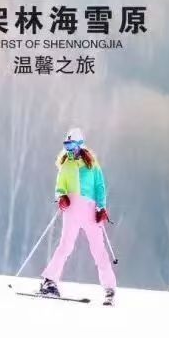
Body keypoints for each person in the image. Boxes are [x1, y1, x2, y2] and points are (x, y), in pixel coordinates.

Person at [39, 128, 116, 305]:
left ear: (80, 145)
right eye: (66, 145)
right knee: (65, 246)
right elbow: (60, 187)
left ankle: (109, 289)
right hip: (72, 210)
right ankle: (50, 281)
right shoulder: (65, 165)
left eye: (72, 145)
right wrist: (62, 197)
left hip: (90, 211)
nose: (69, 149)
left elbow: (100, 186)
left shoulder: (92, 165)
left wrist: (101, 207)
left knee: (98, 250)